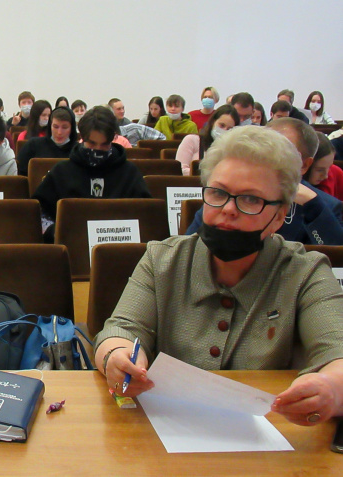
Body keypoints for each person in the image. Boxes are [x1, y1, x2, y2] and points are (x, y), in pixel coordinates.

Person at [94, 125, 343, 427]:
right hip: (167, 431)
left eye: (250, 199)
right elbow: (122, 328)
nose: (228, 209)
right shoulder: (163, 258)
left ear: (280, 215)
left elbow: (337, 351)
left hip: (268, 434)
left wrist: (330, 388)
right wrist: (116, 356)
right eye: (218, 192)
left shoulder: (305, 272)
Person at [187, 118, 343, 245]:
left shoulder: (327, 207)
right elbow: (189, 247)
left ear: (304, 165)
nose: (264, 156)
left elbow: (336, 261)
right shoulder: (225, 193)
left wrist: (313, 207)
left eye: (280, 153)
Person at [34, 106, 151, 243]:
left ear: (113, 139)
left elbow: (146, 214)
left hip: (119, 245)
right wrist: (55, 231)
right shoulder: (61, 172)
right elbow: (39, 211)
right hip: (71, 245)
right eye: (92, 143)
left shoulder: (130, 173)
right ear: (82, 138)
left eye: (104, 144)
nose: (97, 149)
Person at [175, 105, 240, 175]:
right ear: (213, 122)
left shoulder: (232, 150)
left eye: (229, 129)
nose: (224, 130)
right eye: (222, 125)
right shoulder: (192, 140)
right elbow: (180, 170)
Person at [16, 106, 78, 176]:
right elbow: (19, 175)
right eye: (55, 127)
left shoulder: (78, 151)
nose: (59, 132)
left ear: (72, 129)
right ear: (50, 126)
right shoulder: (33, 145)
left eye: (65, 127)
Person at [307, 132, 343, 201]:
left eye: (329, 167)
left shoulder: (336, 173)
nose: (326, 176)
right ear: (305, 165)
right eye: (320, 170)